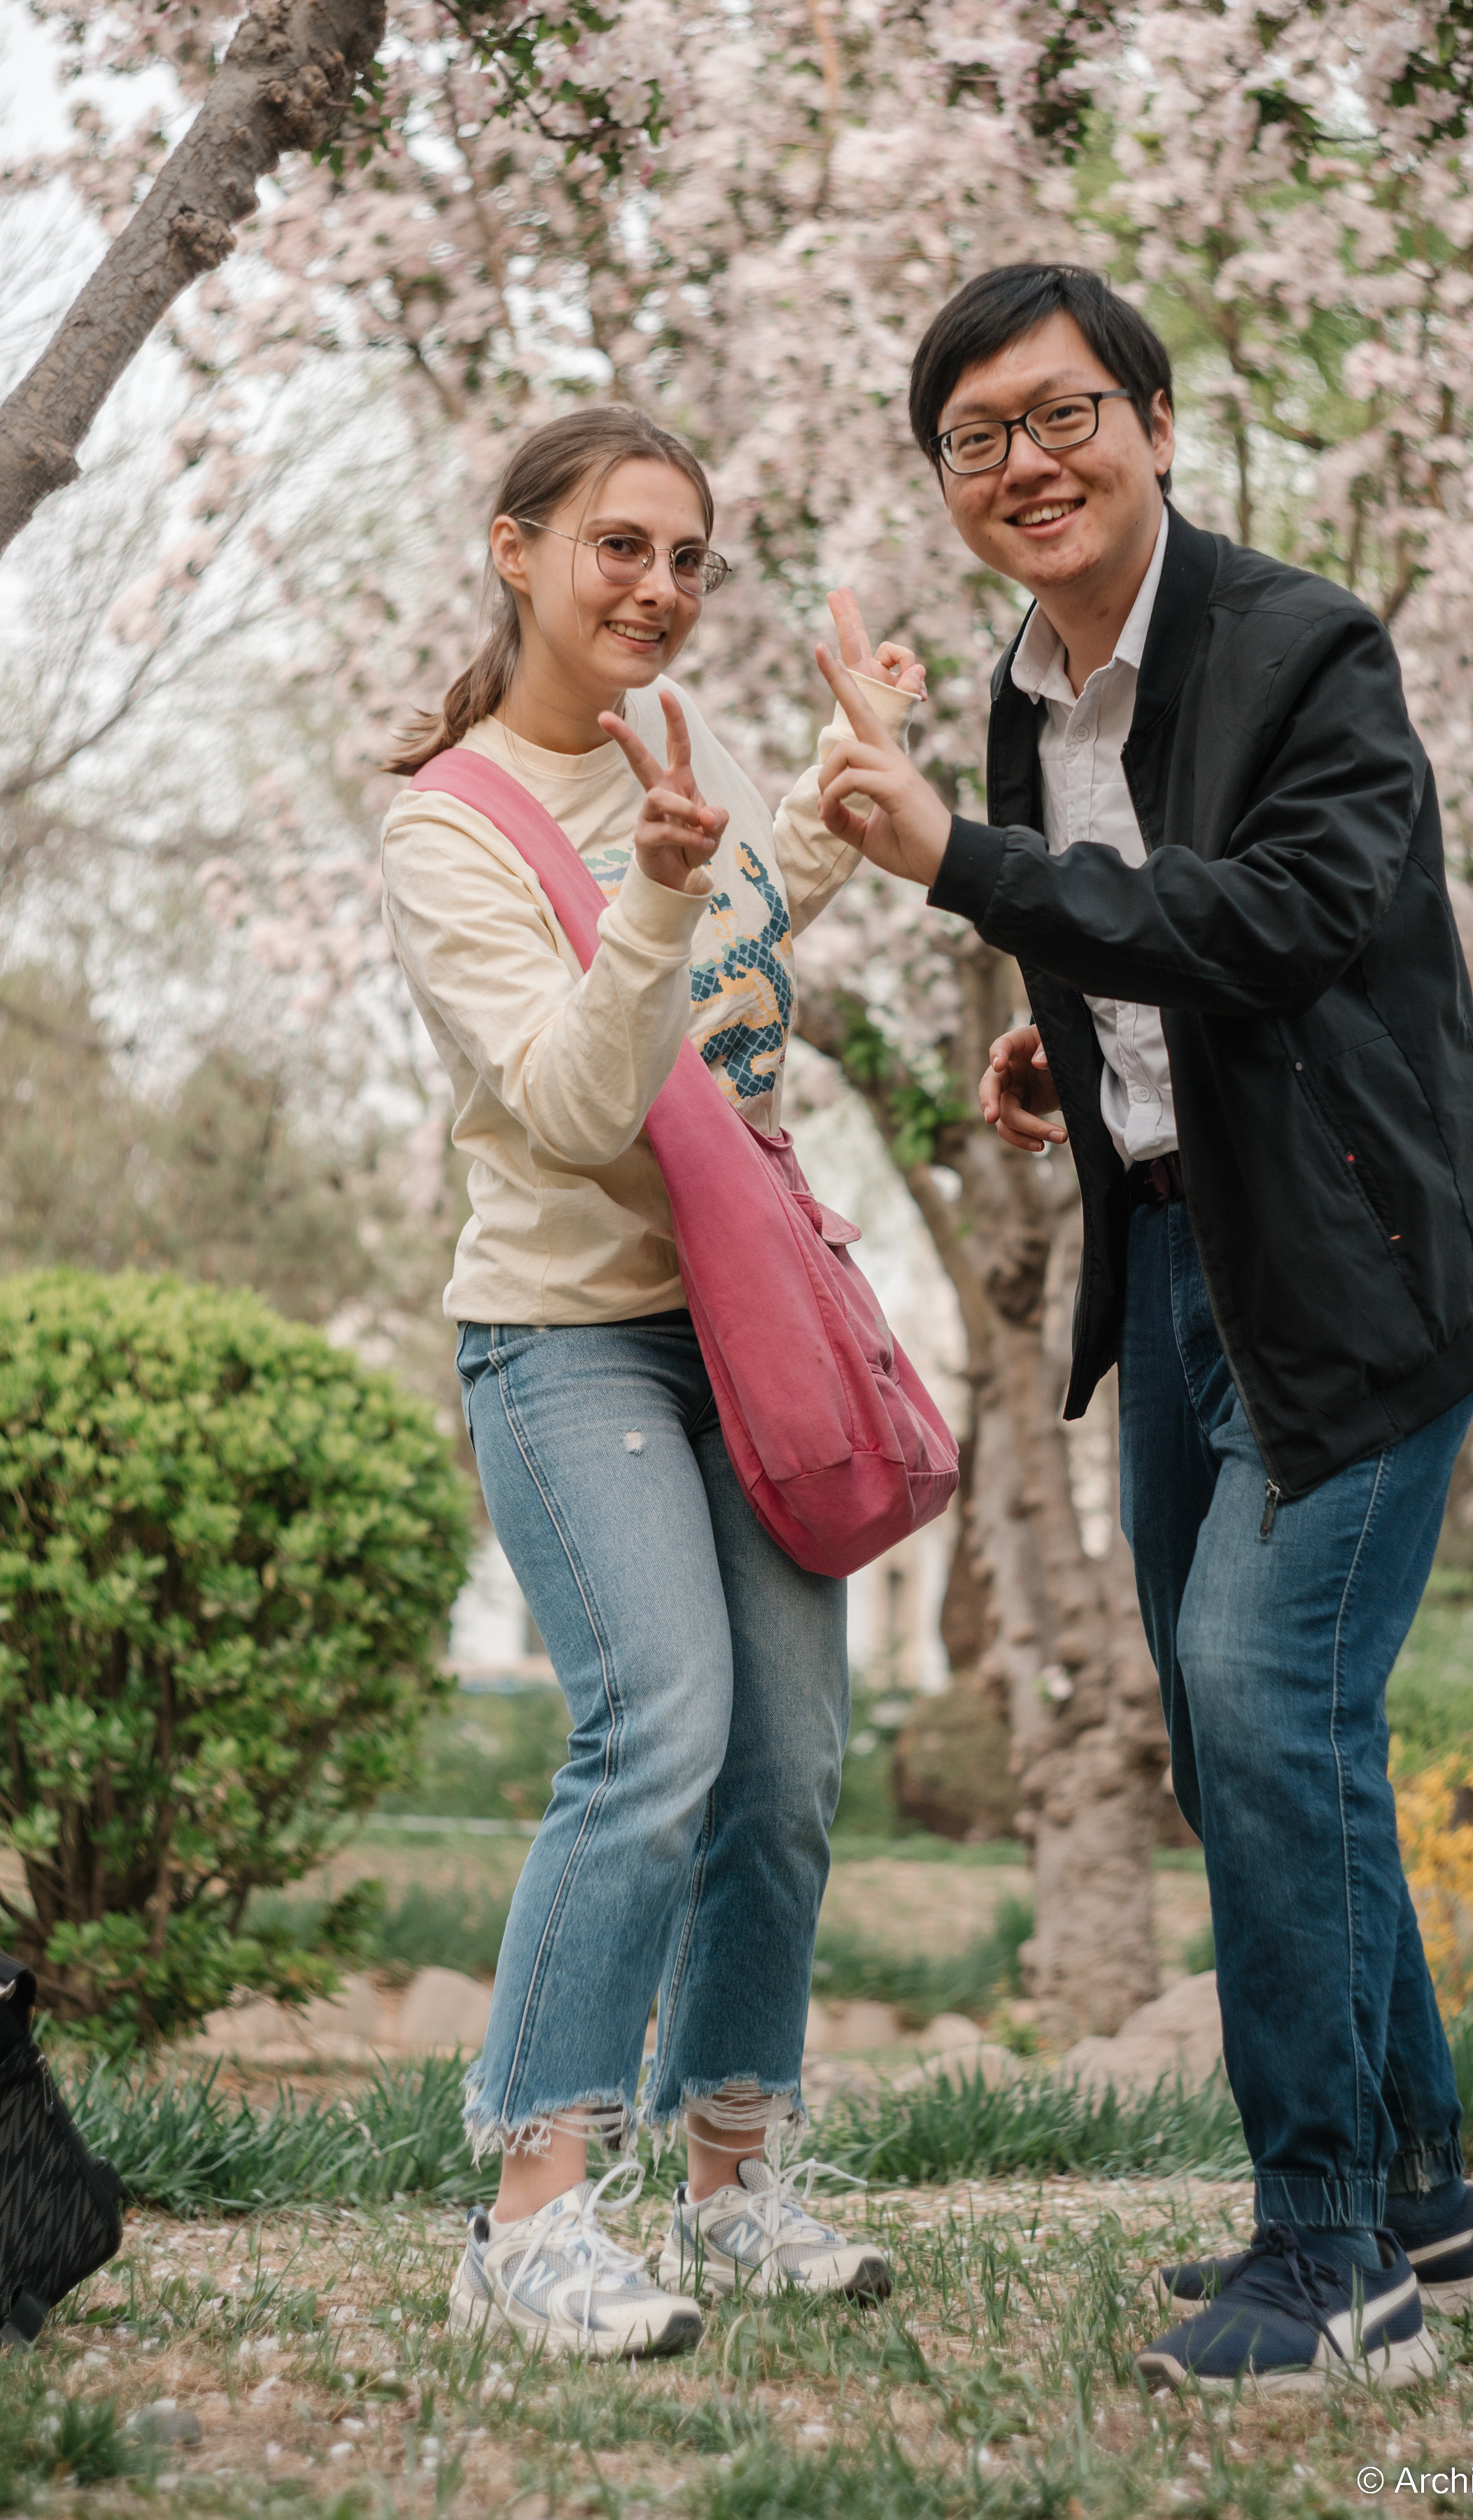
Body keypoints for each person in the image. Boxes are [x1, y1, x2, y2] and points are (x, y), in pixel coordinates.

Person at [812, 263, 1473, 2395]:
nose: (1025, 464)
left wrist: (963, 866)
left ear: (1150, 421)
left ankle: (1331, 2267)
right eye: (975, 439)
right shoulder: (1027, 693)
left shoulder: (1307, 645)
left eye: (1063, 415)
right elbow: (1152, 947)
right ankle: (1424, 2200)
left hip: (1356, 1275)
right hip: (1170, 1253)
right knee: (1256, 1748)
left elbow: (1290, 920)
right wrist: (1085, 1058)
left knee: (1256, 1696)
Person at [381, 405, 918, 2359]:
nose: (662, 588)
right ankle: (527, 2216)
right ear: (516, 549)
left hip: (743, 1336)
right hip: (566, 1337)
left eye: (690, 557)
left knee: (788, 1768)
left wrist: (850, 770)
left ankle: (733, 2181)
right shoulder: (450, 826)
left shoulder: (676, 756)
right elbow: (574, 1099)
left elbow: (751, 930)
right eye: (622, 545)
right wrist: (663, 900)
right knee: (659, 1734)